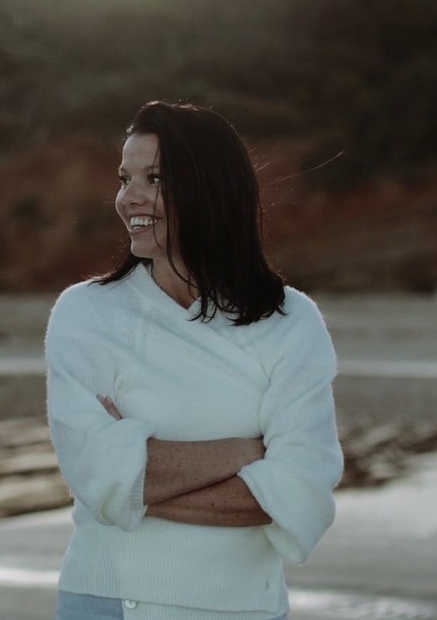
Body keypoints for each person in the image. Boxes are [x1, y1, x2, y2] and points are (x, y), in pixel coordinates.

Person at [45, 101, 344, 620]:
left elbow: (303, 493)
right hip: (108, 602)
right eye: (125, 178)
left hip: (242, 608)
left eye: (155, 178)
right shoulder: (86, 312)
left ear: (213, 190)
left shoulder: (291, 321)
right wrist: (247, 452)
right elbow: (91, 473)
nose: (128, 197)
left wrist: (132, 483)